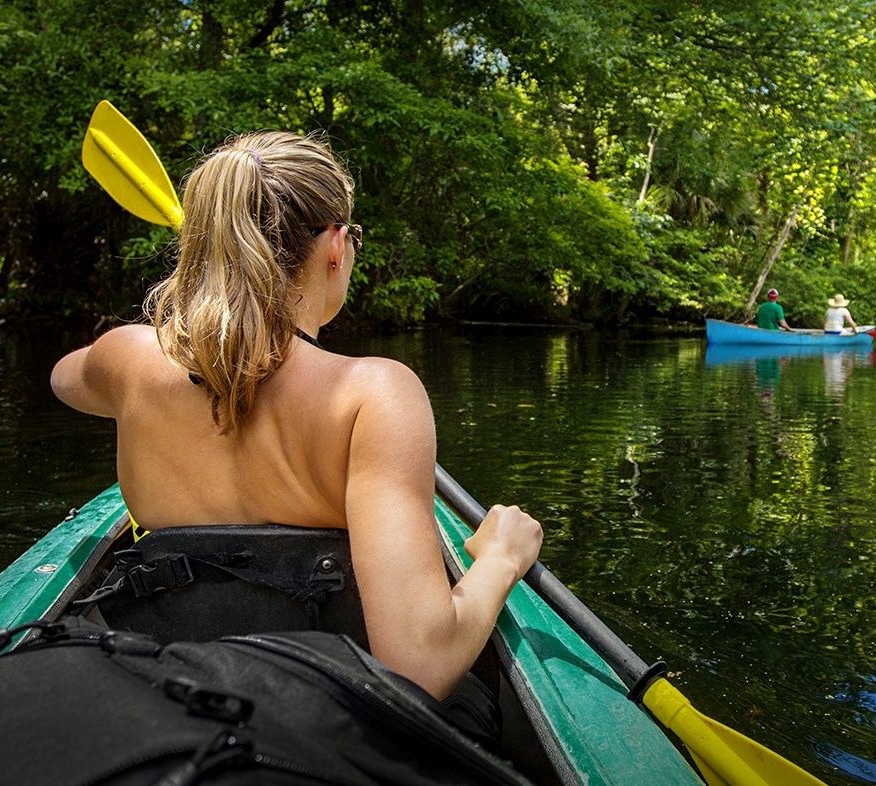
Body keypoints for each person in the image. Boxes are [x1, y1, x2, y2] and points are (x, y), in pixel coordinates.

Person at [49, 131, 542, 701]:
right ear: (336, 245)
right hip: (322, 709)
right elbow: (418, 668)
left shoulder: (127, 358)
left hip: (161, 689)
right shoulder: (375, 396)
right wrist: (501, 559)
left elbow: (65, 380)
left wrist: (162, 341)